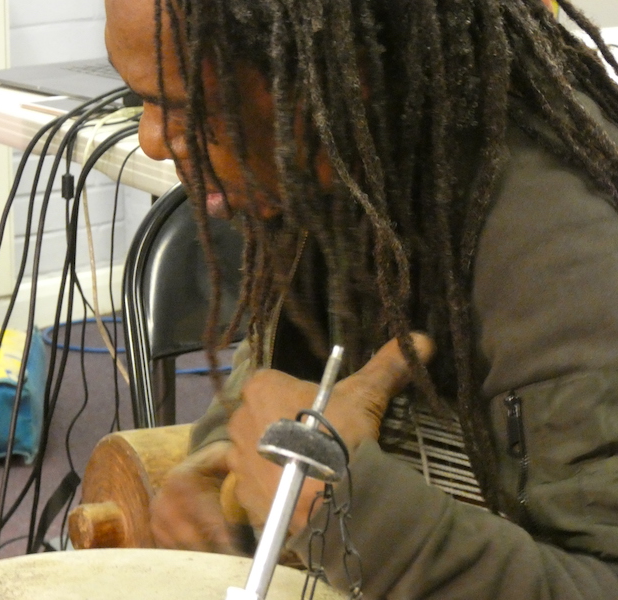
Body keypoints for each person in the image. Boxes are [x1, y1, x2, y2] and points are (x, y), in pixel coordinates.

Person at [104, 0, 618, 597]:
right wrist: (233, 453)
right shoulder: (350, 165)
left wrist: (341, 510)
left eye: (191, 107)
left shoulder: (563, 247)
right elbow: (283, 372)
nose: (151, 141)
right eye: (136, 98)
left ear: (335, 73)